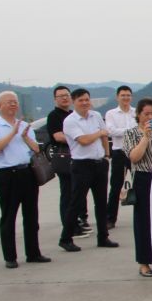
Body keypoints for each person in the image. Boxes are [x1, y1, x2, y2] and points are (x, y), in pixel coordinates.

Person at [0, 91, 51, 268]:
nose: (13, 104)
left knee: (31, 215)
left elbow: (36, 149)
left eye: (15, 102)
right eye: (9, 102)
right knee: (9, 216)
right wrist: (12, 133)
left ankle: (33, 253)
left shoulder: (25, 126)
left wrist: (25, 137)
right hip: (8, 175)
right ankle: (10, 257)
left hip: (27, 172)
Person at [58, 88, 118, 252]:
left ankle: (103, 237)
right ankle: (66, 238)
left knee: (101, 202)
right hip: (81, 165)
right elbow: (84, 140)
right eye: (80, 100)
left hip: (99, 163)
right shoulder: (70, 121)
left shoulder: (96, 115)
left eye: (87, 99)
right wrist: (99, 133)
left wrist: (106, 155)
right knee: (76, 202)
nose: (85, 103)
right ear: (74, 102)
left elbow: (105, 136)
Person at [123, 98, 152, 278]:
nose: (150, 117)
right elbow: (134, 157)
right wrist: (146, 137)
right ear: (138, 114)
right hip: (142, 178)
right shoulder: (131, 133)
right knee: (143, 221)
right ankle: (144, 262)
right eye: (146, 114)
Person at [45, 86, 90, 235]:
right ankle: (69, 226)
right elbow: (58, 136)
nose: (64, 98)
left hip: (79, 157)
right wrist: (78, 137)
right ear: (55, 99)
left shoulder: (73, 114)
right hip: (64, 158)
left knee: (77, 192)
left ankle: (78, 221)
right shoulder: (53, 116)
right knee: (67, 193)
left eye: (67, 95)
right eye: (61, 96)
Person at [105, 85, 137, 229]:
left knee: (140, 183)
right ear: (117, 97)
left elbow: (140, 130)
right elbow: (111, 131)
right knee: (116, 186)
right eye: (123, 95)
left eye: (128, 95)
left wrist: (126, 131)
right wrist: (131, 131)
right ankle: (110, 219)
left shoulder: (136, 112)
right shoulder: (111, 113)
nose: (126, 98)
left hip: (134, 151)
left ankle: (143, 215)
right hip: (119, 152)